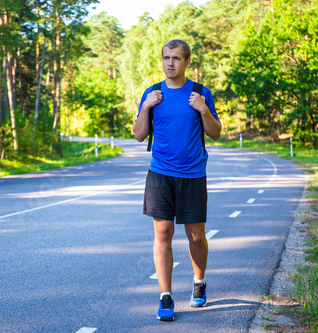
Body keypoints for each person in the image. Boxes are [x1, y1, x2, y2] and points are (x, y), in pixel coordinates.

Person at [132, 39, 222, 321]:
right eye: (166, 58)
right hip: (160, 174)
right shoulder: (152, 93)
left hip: (193, 175)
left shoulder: (199, 92)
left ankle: (198, 281)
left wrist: (203, 109)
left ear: (187, 62)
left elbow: (216, 133)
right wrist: (146, 107)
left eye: (176, 58)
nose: (170, 63)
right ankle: (165, 296)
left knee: (196, 237)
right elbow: (138, 135)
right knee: (162, 235)